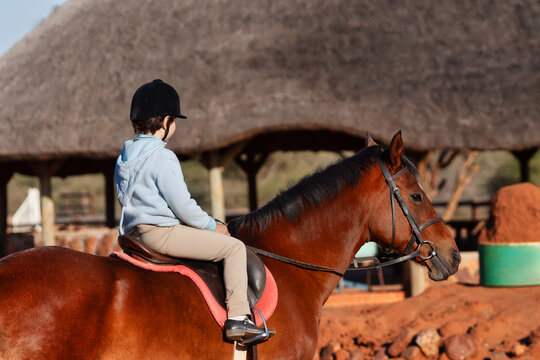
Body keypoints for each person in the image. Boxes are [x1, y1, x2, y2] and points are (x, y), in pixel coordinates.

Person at [115, 79, 269, 341]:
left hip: (133, 235)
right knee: (234, 248)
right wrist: (213, 225)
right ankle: (238, 319)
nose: (173, 126)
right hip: (161, 234)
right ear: (165, 122)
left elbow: (124, 197)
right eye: (174, 121)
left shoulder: (124, 156)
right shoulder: (162, 156)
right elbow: (184, 207)